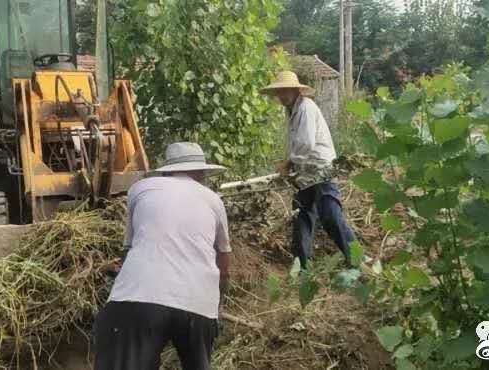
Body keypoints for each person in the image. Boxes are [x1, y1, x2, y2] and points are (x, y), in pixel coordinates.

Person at [93, 142, 231, 370]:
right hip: (198, 303)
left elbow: (129, 249)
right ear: (200, 172)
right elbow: (225, 265)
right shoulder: (213, 200)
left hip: (138, 297)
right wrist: (218, 307)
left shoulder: (141, 188)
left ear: (167, 170)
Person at [260, 70, 358, 270]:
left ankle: (357, 260)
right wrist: (291, 165)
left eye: (285, 91)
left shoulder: (306, 108)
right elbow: (297, 144)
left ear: (296, 90)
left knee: (330, 215)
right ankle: (301, 266)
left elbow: (306, 143)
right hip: (305, 173)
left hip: (321, 170)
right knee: (302, 215)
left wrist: (288, 163)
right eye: (279, 92)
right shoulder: (293, 111)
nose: (281, 96)